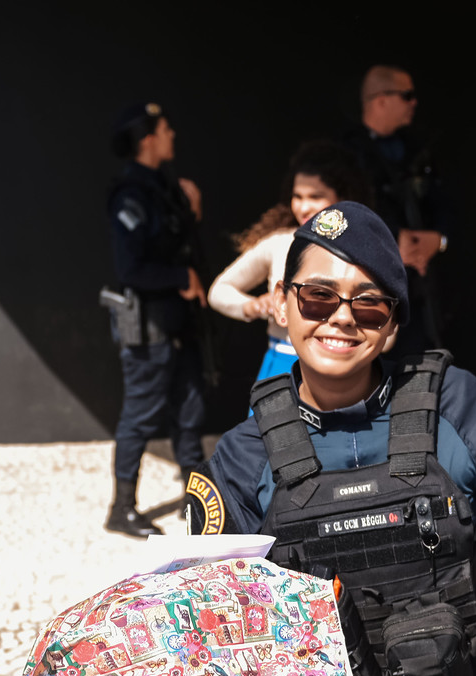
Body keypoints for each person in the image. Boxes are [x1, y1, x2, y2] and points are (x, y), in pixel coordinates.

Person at [186, 201, 476, 676]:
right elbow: (216, 644)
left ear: (391, 325)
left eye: (367, 304)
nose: (341, 317)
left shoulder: (461, 407)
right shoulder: (239, 457)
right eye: (318, 297)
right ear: (281, 304)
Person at [103, 100, 208, 539]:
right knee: (141, 416)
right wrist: (180, 276)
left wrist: (192, 209)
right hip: (148, 328)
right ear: (147, 138)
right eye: (165, 129)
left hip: (178, 324)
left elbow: (175, 241)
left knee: (190, 411)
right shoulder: (131, 194)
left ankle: (199, 501)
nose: (172, 135)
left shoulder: (163, 187)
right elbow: (131, 270)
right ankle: (121, 508)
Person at [208, 142, 372, 384]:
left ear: (343, 197)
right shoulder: (278, 243)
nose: (304, 207)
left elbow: (388, 334)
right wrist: (253, 306)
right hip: (282, 365)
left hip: (345, 372)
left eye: (315, 197)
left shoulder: (365, 247)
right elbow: (219, 291)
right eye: (298, 197)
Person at [341, 66, 451, 354]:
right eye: (407, 95)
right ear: (381, 100)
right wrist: (389, 238)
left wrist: (437, 240)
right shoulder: (346, 152)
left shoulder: (419, 149)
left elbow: (443, 205)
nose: (414, 103)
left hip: (418, 288)